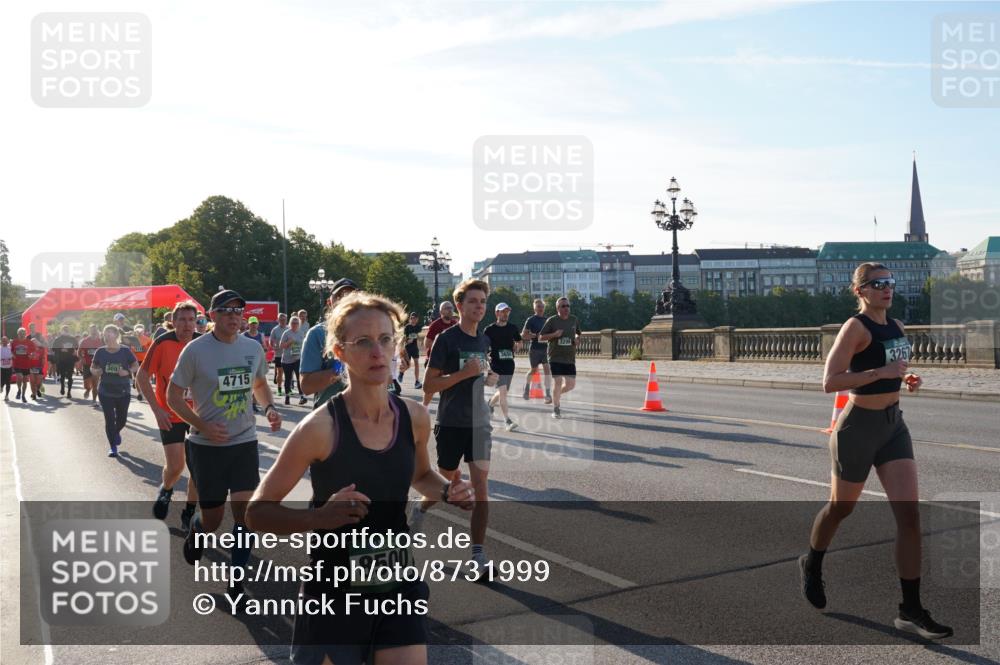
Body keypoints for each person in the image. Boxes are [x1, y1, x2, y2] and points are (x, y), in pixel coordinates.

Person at [245, 291, 474, 665]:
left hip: (396, 582)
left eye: (386, 340)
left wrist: (449, 491)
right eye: (363, 342)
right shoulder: (318, 429)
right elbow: (256, 513)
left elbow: (420, 475)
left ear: (398, 346)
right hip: (334, 593)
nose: (377, 352)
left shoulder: (414, 417)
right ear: (340, 353)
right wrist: (317, 519)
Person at [799, 262, 952, 640]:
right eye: (878, 283)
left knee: (910, 517)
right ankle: (812, 563)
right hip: (857, 429)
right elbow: (830, 381)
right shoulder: (855, 328)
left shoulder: (897, 326)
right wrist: (878, 375)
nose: (887, 288)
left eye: (890, 283)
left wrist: (905, 377)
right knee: (841, 508)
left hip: (893, 426)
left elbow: (895, 369)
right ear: (861, 291)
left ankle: (910, 610)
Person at [167, 289, 280, 597]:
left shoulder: (252, 348)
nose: (234, 316)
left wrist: (268, 407)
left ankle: (236, 581)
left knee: (247, 515)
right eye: (227, 311)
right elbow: (173, 396)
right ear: (213, 315)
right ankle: (197, 530)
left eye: (238, 311)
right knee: (214, 519)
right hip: (206, 447)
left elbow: (258, 383)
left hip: (244, 442)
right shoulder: (195, 350)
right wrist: (201, 425)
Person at [414, 279, 498, 574]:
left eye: (483, 302)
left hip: (479, 424)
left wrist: (488, 379)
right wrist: (463, 374)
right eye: (473, 301)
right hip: (450, 423)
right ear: (460, 306)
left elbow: (480, 374)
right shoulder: (446, 340)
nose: (479, 306)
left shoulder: (484, 340)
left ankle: (478, 556)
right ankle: (420, 507)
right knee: (448, 484)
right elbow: (428, 384)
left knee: (481, 489)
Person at [137, 301, 201, 529]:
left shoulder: (202, 344)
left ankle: (190, 511)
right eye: (182, 320)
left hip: (198, 416)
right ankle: (166, 490)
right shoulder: (162, 343)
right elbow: (142, 377)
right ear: (173, 322)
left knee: (198, 468)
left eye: (191, 320)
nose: (187, 325)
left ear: (197, 322)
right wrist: (157, 409)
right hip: (170, 414)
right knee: (176, 467)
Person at [300, 278, 357, 410]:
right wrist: (342, 368)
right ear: (329, 302)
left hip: (367, 417)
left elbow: (386, 380)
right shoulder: (317, 334)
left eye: (352, 296)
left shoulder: (372, 332)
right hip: (329, 416)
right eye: (340, 296)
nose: (346, 300)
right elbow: (306, 386)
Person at [91, 324, 140, 457]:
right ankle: (113, 446)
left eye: (110, 332)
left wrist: (127, 372)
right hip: (105, 390)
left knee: (122, 419)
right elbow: (92, 367)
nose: (107, 335)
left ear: (116, 335)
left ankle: (116, 431)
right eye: (105, 333)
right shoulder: (100, 351)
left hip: (123, 390)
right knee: (109, 419)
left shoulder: (125, 351)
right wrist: (96, 371)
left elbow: (136, 365)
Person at [537, 297, 580, 419]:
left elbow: (578, 332)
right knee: (558, 382)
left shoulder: (574, 319)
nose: (566, 308)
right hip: (555, 357)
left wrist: (577, 338)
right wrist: (554, 335)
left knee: (571, 385)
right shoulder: (552, 321)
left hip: (570, 357)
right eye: (563, 306)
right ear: (558, 308)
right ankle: (556, 408)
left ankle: (555, 395)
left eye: (567, 306)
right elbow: (540, 337)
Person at [484, 302, 522, 431]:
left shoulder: (512, 328)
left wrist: (517, 347)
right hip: (496, 364)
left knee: (502, 392)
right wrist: (486, 357)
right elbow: (482, 346)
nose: (505, 314)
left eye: (507, 311)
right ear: (497, 313)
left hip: (509, 364)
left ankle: (489, 404)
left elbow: (519, 340)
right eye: (503, 311)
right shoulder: (489, 329)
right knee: (503, 392)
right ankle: (507, 421)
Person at [421, 301, 457, 407]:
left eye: (451, 308)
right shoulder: (435, 325)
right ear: (441, 311)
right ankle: (424, 408)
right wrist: (442, 346)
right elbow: (426, 344)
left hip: (449, 362)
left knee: (448, 388)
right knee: (430, 389)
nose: (450, 310)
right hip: (434, 361)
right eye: (447, 308)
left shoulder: (455, 324)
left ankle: (446, 412)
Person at [521, 298, 553, 403]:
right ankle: (526, 388)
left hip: (545, 349)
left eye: (542, 306)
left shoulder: (547, 320)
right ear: (534, 308)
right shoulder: (531, 320)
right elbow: (523, 335)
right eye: (538, 306)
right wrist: (535, 335)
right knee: (534, 370)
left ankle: (548, 395)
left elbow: (550, 334)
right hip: (534, 349)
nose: (540, 308)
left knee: (547, 371)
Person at [279, 316, 308, 406]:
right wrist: (288, 342)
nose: (294, 324)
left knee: (299, 378)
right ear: (290, 324)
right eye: (293, 323)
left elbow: (304, 345)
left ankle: (302, 396)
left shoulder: (301, 333)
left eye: (296, 323)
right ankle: (287, 397)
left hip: (297, 359)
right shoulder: (286, 333)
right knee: (288, 378)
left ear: (299, 324)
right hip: (287, 360)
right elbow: (281, 346)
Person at [243, 316, 267, 412]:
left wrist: (261, 347)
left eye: (255, 323)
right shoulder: (244, 335)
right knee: (246, 385)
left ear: (258, 324)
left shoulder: (260, 335)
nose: (253, 326)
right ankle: (245, 403)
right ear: (248, 324)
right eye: (251, 324)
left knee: (257, 384)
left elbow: (265, 348)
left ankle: (253, 404)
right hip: (245, 363)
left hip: (257, 362)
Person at [50, 325, 79, 398]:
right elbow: (53, 349)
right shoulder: (58, 339)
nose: (66, 331)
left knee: (70, 376)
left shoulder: (72, 339)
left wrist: (72, 351)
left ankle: (69, 392)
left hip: (70, 360)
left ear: (69, 331)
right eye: (64, 330)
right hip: (61, 360)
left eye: (67, 330)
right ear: (61, 331)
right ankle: (62, 387)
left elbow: (77, 347)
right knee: (62, 375)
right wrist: (60, 350)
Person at [10, 328, 37, 403]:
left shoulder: (29, 342)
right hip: (17, 363)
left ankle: (23, 395)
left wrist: (32, 355)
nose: (22, 334)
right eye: (20, 333)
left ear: (25, 334)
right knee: (19, 377)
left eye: (23, 333)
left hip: (26, 364)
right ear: (18, 334)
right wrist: (13, 355)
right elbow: (11, 350)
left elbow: (34, 351)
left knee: (25, 381)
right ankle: (19, 389)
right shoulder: (14, 342)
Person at [126, 324, 152, 401]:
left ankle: (143, 391)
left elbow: (151, 350)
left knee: (146, 378)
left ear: (143, 331)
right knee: (137, 377)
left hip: (145, 360)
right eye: (137, 330)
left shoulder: (148, 339)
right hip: (135, 360)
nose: (139, 332)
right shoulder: (132, 339)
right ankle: (140, 393)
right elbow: (128, 349)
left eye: (141, 330)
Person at [78, 325, 102, 401]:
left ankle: (94, 400)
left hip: (97, 366)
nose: (94, 331)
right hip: (87, 365)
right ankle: (88, 390)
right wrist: (82, 359)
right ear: (89, 331)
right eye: (92, 330)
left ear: (97, 330)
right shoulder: (85, 341)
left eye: (95, 330)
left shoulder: (101, 341)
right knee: (86, 384)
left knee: (95, 384)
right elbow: (78, 352)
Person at [401, 312, 424, 390]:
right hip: (407, 348)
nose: (413, 319)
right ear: (410, 319)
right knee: (407, 365)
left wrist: (414, 337)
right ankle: (401, 373)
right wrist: (410, 338)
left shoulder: (419, 327)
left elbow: (420, 336)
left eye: (415, 318)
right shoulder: (407, 327)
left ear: (417, 319)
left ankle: (417, 381)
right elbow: (405, 339)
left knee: (416, 363)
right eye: (412, 318)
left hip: (414, 348)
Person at [269, 313, 289, 397]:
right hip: (278, 354)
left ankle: (287, 388)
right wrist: (273, 346)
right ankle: (279, 389)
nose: (282, 321)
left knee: (288, 373)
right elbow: (271, 341)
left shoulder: (289, 329)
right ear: (278, 320)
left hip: (288, 355)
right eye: (281, 320)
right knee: (280, 372)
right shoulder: (275, 329)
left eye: (284, 320)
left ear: (286, 320)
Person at [1, 336, 13, 401]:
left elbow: (13, 355)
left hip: (9, 367)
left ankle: (7, 395)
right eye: (3, 340)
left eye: (6, 340)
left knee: (8, 382)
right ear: (1, 341)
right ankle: (1, 386)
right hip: (1, 368)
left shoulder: (10, 348)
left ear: (7, 341)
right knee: (2, 381)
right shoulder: (0, 348)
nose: (4, 342)